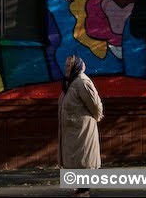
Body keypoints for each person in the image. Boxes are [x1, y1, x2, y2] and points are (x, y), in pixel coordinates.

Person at [57, 55, 104, 197]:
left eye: (69, 65)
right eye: (65, 65)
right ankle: (81, 189)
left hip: (82, 129)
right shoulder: (70, 83)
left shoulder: (82, 82)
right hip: (73, 130)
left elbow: (95, 105)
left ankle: (84, 191)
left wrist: (95, 118)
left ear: (76, 66)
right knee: (77, 160)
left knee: (84, 159)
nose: (66, 68)